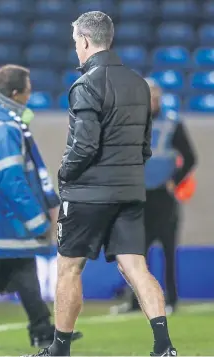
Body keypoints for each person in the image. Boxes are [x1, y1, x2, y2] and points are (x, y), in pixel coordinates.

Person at [23, 11, 177, 357]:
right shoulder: (139, 84)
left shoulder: (85, 85)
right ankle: (164, 346)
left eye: (76, 42)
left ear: (86, 41)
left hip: (88, 193)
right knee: (136, 267)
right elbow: (145, 146)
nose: (76, 48)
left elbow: (85, 145)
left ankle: (59, 350)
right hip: (129, 190)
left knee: (69, 268)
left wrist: (65, 173)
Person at [0, 64, 83, 349]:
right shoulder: (2, 126)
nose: (31, 97)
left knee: (19, 267)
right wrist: (36, 220)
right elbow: (11, 179)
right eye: (28, 92)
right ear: (16, 93)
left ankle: (40, 328)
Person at [110, 78, 197, 316]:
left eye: (154, 96)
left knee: (168, 250)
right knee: (136, 252)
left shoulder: (172, 124)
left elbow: (190, 157)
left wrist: (174, 181)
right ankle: (135, 301)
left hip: (163, 197)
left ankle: (171, 300)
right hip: (138, 196)